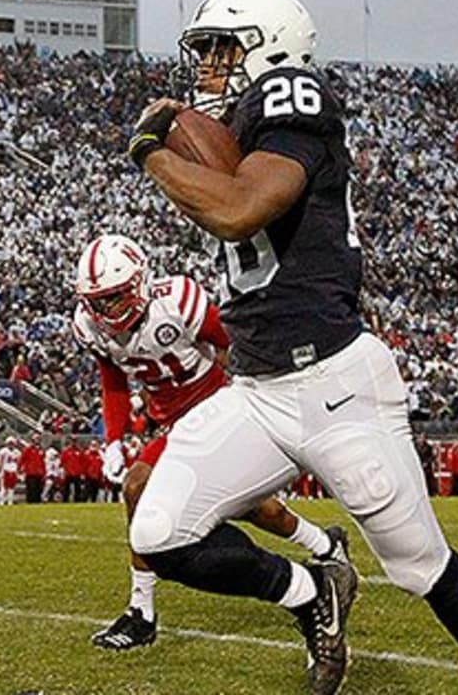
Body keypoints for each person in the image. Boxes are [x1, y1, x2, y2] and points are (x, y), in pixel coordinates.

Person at [127, 0, 458, 693]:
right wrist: (186, 137)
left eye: (225, 48)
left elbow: (239, 208)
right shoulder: (249, 125)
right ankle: (312, 593)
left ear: (270, 45)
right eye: (207, 51)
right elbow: (231, 181)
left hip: (335, 385)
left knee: (420, 566)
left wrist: (152, 154)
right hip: (256, 389)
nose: (210, 66)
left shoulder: (293, 96)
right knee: (159, 533)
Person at [72, 235, 350, 650]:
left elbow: (231, 345)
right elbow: (113, 382)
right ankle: (140, 611)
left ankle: (324, 544)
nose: (105, 310)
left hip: (216, 408)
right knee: (137, 487)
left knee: (254, 507)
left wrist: (246, 402)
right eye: (97, 300)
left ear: (138, 283)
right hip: (172, 426)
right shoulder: (88, 327)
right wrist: (113, 440)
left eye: (113, 298)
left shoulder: (179, 300)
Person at [17, 435, 46, 504]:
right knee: (31, 488)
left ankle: (37, 501)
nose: (37, 440)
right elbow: (21, 459)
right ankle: (30, 501)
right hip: (30, 472)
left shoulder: (41, 450)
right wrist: (19, 469)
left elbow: (43, 462)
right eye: (36, 439)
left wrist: (44, 472)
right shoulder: (28, 449)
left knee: (39, 488)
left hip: (39, 472)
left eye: (38, 439)